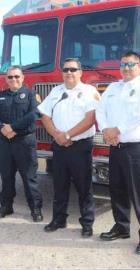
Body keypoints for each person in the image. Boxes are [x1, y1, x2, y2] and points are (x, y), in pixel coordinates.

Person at [96, 51, 140, 254]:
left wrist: (117, 130)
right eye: (123, 64)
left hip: (136, 149)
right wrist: (106, 130)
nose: (126, 68)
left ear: (139, 66)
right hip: (115, 147)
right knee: (117, 190)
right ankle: (121, 228)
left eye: (130, 64)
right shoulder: (114, 87)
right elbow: (100, 109)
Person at [38, 58, 100, 237]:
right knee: (59, 184)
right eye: (66, 70)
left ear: (81, 72)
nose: (69, 73)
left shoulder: (89, 91)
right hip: (59, 145)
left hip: (80, 146)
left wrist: (67, 135)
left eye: (73, 69)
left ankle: (87, 223)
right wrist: (57, 135)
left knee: (83, 186)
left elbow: (90, 119)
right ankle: (59, 219)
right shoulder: (56, 91)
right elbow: (44, 114)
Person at [0, 66, 43, 222]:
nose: (13, 79)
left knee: (29, 178)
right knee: (6, 177)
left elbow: (34, 114)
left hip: (24, 142)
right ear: (6, 79)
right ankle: (6, 206)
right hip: (5, 143)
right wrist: (2, 128)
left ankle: (35, 209)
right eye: (10, 77)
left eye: (16, 76)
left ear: (23, 78)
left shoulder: (31, 94)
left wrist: (12, 127)